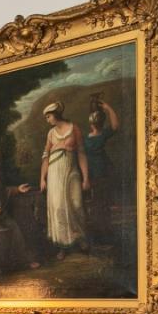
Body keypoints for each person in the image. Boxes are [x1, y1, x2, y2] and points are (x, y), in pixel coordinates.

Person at [38, 100, 89, 258]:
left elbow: (81, 153)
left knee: (76, 204)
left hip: (71, 171)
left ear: (56, 114)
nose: (47, 120)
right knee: (59, 207)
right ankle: (63, 245)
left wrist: (86, 177)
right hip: (54, 174)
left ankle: (80, 238)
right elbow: (45, 157)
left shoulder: (74, 129)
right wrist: (42, 178)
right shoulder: (51, 134)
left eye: (48, 116)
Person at [84, 94, 121, 246]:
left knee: (100, 205)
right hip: (95, 174)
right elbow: (115, 126)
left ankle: (103, 236)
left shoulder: (93, 137)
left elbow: (115, 126)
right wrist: (107, 108)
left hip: (102, 174)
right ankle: (101, 235)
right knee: (99, 206)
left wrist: (107, 108)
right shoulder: (91, 137)